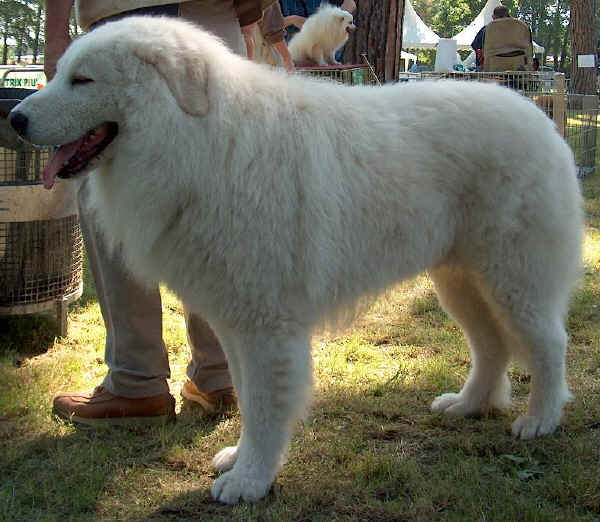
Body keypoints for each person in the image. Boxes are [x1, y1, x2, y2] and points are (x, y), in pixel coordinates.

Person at [46, 0, 276, 427]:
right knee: (216, 194)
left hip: (127, 14)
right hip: (212, 17)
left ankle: (137, 383)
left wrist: (56, 32)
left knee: (113, 182)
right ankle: (220, 375)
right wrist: (250, 20)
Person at [471, 5, 510, 70]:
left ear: (493, 17)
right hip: (516, 66)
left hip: (491, 67)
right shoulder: (520, 28)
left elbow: (475, 46)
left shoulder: (486, 29)